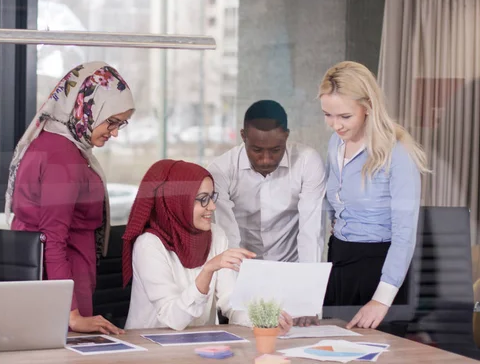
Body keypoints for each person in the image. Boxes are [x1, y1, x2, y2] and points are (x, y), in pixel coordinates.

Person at [4, 62, 135, 335]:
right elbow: (53, 238)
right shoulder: (63, 159)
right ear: (86, 107)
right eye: (111, 122)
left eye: (120, 123)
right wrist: (72, 315)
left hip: (53, 282)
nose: (115, 132)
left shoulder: (52, 141)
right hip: (62, 287)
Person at [121, 159, 293, 332]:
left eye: (211, 197)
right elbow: (173, 319)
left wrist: (263, 318)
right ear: (178, 201)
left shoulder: (216, 235)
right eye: (203, 199)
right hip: (150, 348)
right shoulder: (149, 245)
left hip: (199, 346)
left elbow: (231, 301)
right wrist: (207, 271)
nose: (212, 206)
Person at [319, 61, 429, 329]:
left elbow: (404, 233)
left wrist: (382, 299)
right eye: (328, 115)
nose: (336, 125)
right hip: (339, 259)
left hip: (379, 265)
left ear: (367, 107)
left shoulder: (398, 154)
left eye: (345, 117)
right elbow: (332, 202)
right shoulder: (336, 143)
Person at [207, 100, 326, 264]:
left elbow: (311, 233)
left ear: (286, 136)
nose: (266, 160)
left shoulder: (307, 162)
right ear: (243, 136)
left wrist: (308, 282)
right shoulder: (221, 170)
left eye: (275, 150)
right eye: (257, 150)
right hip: (243, 267)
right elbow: (228, 234)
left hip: (291, 265)